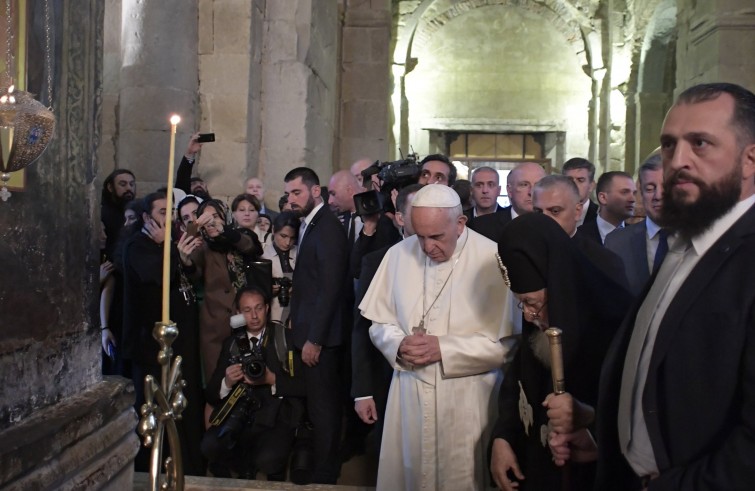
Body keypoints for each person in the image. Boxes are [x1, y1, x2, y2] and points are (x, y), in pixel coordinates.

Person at [590, 82, 755, 490]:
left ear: (750, 159)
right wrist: (603, 435)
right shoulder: (685, 240)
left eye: (700, 143)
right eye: (668, 144)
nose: (677, 161)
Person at [360, 184, 515, 490]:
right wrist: (398, 345)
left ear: (460, 224)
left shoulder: (492, 258)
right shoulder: (397, 255)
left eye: (437, 237)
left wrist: (443, 349)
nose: (427, 247)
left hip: (468, 401)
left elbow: (508, 347)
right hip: (409, 395)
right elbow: (378, 323)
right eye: (420, 236)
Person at [491, 213, 630, 491]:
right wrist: (502, 438)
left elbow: (632, 410)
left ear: (558, 285)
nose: (530, 316)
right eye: (522, 304)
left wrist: (590, 421)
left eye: (532, 302)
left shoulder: (615, 319)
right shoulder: (541, 317)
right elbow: (517, 383)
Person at [121, 191, 205, 475]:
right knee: (157, 411)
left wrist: (183, 258)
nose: (168, 218)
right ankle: (153, 470)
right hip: (152, 348)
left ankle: (187, 467)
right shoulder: (138, 246)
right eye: (161, 212)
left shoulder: (166, 244)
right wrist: (169, 250)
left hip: (180, 344)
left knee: (183, 407)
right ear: (146, 218)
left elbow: (187, 276)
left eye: (171, 212)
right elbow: (155, 276)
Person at [284, 167, 349, 484]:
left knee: (324, 410)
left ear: (315, 191)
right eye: (288, 194)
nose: (291, 200)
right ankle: (323, 466)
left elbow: (331, 288)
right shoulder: (312, 224)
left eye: (297, 192)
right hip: (310, 330)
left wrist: (315, 340)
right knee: (317, 406)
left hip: (321, 339)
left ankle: (327, 473)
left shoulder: (327, 229)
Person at [201, 286, 306, 480]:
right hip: (240, 414)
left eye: (258, 308)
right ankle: (243, 468)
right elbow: (210, 394)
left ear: (267, 308)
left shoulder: (285, 338)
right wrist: (227, 382)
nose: (254, 316)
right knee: (210, 445)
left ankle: (271, 465)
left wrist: (271, 379)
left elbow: (305, 385)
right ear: (239, 313)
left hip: (276, 416)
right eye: (247, 310)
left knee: (269, 459)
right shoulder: (232, 343)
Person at [351, 183, 423, 457]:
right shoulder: (378, 261)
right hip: (387, 378)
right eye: (416, 211)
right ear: (400, 218)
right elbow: (362, 329)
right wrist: (363, 391)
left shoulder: (456, 260)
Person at [177, 198, 263, 381]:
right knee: (217, 382)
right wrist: (186, 262)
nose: (211, 222)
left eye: (215, 216)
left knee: (250, 377)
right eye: (205, 218)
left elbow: (250, 246)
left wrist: (224, 230)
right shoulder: (202, 246)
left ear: (226, 217)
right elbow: (194, 272)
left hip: (247, 322)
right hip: (215, 327)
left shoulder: (240, 236)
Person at [533, 175, 628, 285]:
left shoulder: (604, 262)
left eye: (555, 211)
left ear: (577, 211)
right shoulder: (523, 254)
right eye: (538, 212)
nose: (544, 220)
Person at [604, 151, 665, 296]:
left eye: (666, 187)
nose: (658, 195)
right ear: (641, 194)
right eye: (650, 189)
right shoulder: (616, 242)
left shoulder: (695, 240)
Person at [470, 162, 546, 242]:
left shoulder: (555, 225)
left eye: (538, 185)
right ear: (509, 191)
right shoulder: (481, 227)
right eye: (524, 185)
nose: (531, 192)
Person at [260, 212, 299, 323]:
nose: (287, 243)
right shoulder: (263, 256)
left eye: (292, 238)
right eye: (283, 236)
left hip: (298, 314)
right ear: (273, 230)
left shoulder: (301, 253)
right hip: (274, 316)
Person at [578, 171, 636, 244]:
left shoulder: (639, 237)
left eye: (634, 193)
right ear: (603, 198)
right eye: (624, 192)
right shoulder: (578, 237)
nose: (632, 199)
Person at [101, 168, 136, 258]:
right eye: (123, 184)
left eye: (131, 184)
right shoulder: (101, 212)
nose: (129, 188)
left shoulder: (137, 210)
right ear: (110, 187)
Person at [562, 157, 599, 226]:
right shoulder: (552, 214)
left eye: (580, 180)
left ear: (591, 186)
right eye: (569, 180)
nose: (574, 185)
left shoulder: (600, 216)